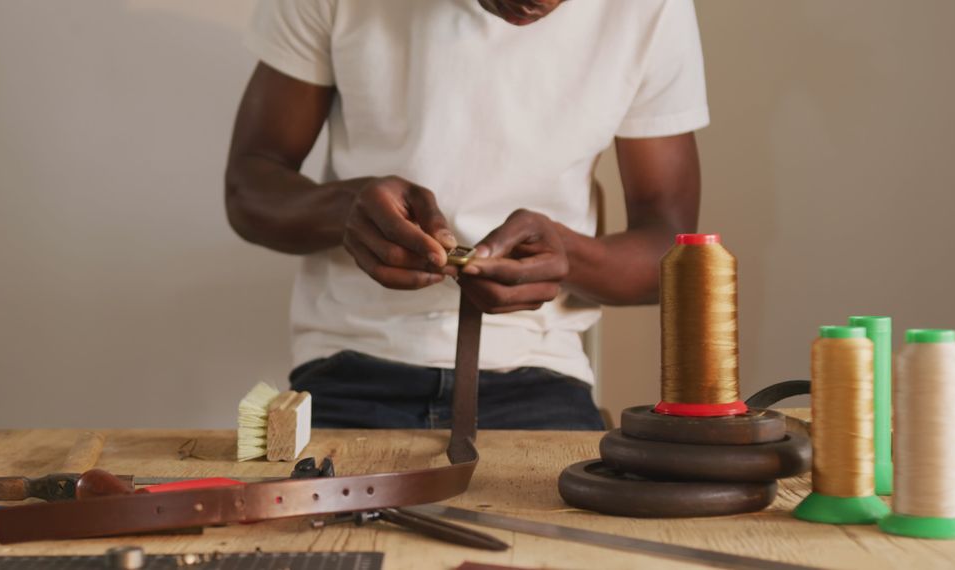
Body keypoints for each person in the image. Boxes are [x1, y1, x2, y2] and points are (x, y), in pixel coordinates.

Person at [225, 0, 708, 430]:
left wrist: (570, 259)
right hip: (347, 370)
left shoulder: (654, 8)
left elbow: (672, 254)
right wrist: (345, 210)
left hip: (540, 377)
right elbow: (249, 185)